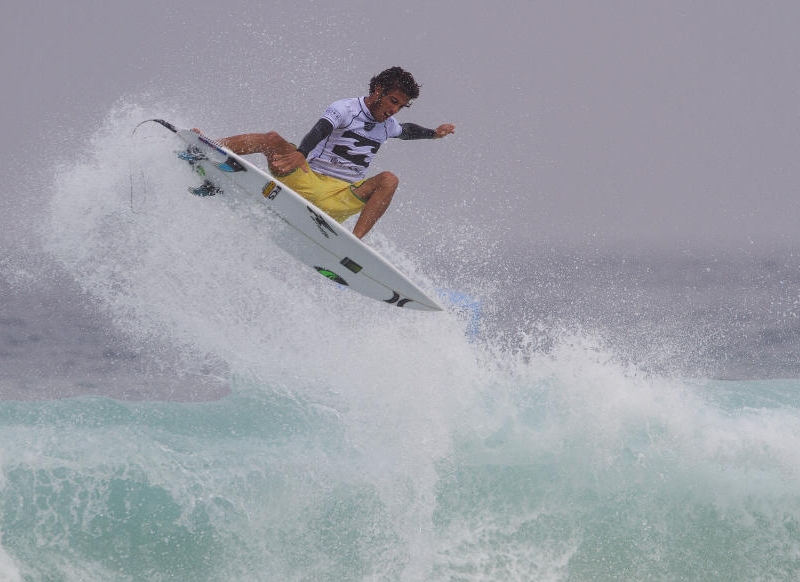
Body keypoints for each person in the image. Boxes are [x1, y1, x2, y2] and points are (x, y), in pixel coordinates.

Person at [199, 67, 455, 239]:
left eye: (400, 106)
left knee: (389, 179)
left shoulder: (389, 125)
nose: (394, 110)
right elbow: (323, 128)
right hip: (308, 182)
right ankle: (207, 146)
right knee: (273, 140)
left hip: (342, 198)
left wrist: (434, 133)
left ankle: (353, 244)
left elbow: (407, 130)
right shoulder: (345, 108)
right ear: (378, 90)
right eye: (393, 101)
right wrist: (301, 152)